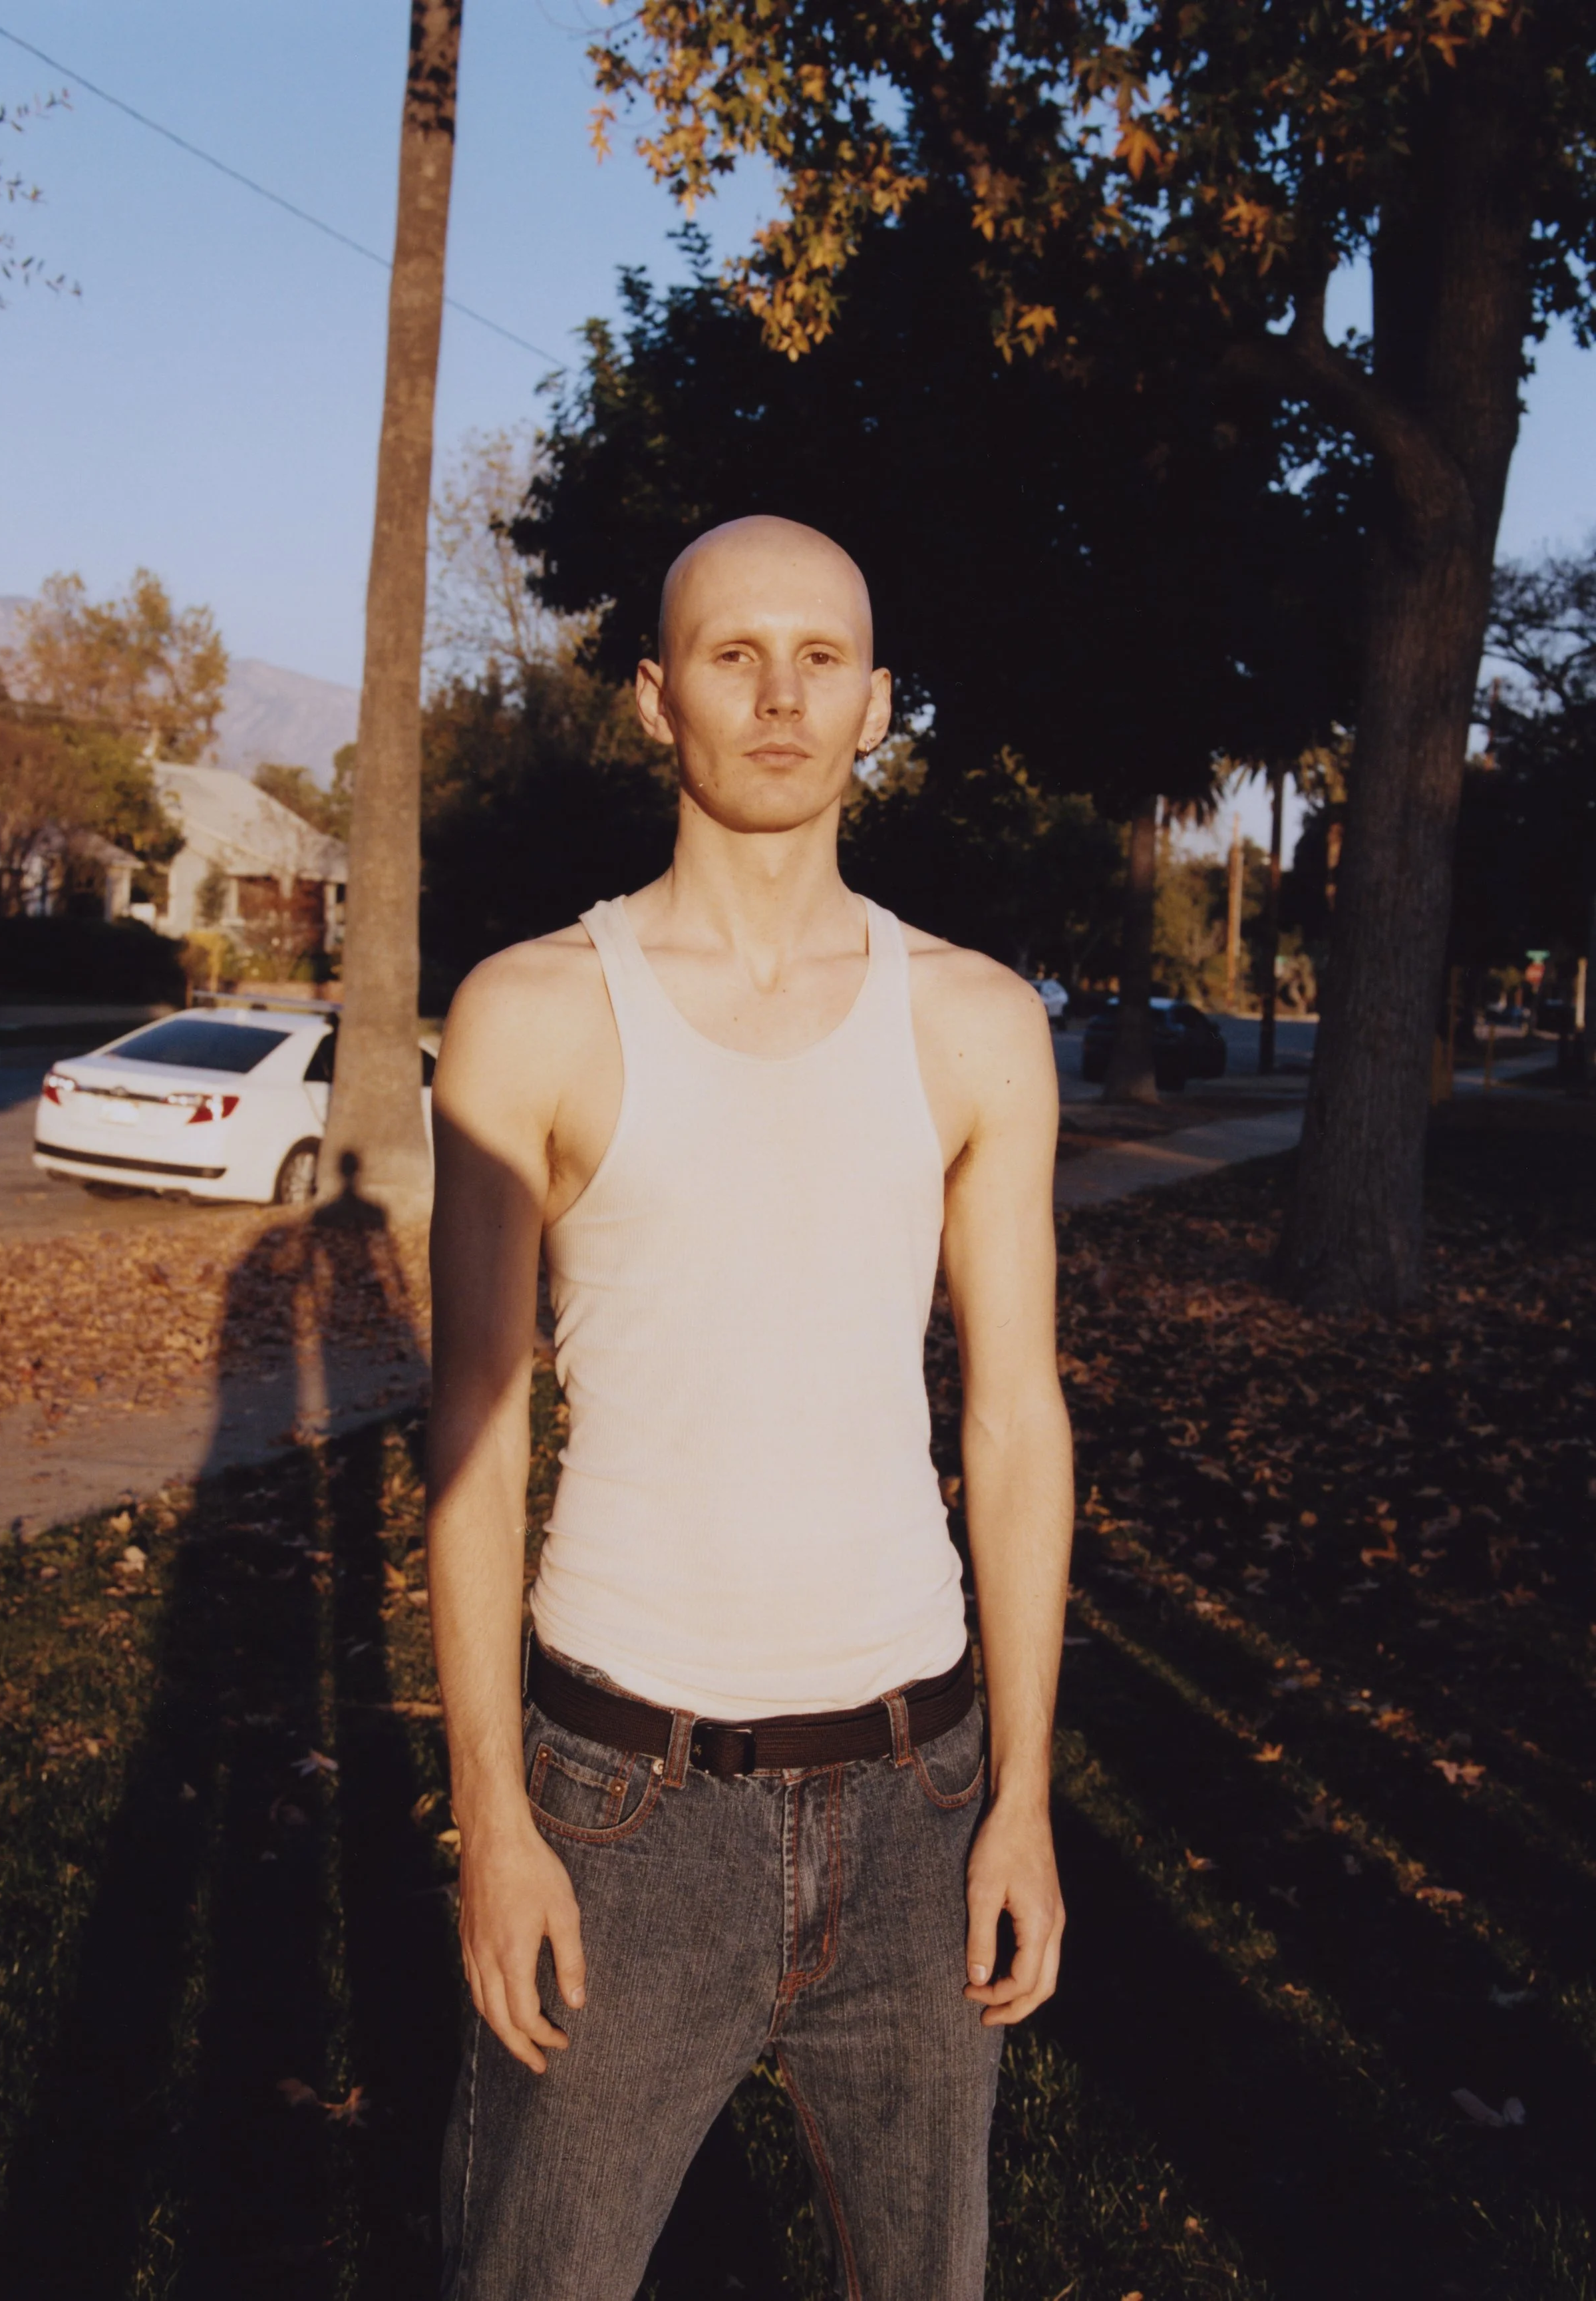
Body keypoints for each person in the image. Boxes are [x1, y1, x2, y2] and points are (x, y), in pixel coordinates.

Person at [426, 515, 1073, 2300]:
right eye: (731, 655)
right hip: (620, 1807)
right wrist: (494, 1825)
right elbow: (470, 1458)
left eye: (819, 660)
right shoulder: (532, 1014)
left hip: (920, 1791)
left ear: (875, 704)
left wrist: (1019, 1793)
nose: (778, 697)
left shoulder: (973, 1022)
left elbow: (1011, 1422)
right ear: (656, 699)